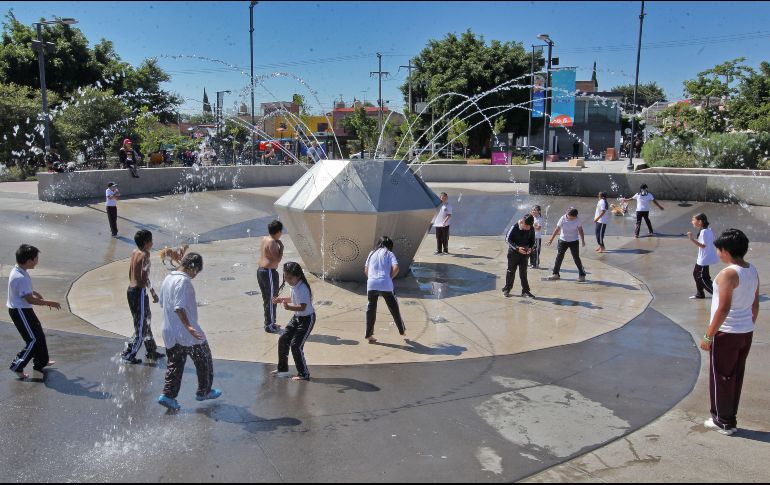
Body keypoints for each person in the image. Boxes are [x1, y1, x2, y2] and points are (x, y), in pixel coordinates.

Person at [700, 229, 759, 436]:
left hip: (727, 333)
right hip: (745, 332)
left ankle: (722, 421)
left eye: (718, 249)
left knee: (721, 376)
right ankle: (729, 418)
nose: (717, 252)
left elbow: (722, 309)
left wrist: (708, 335)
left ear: (725, 251)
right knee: (735, 375)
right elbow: (755, 304)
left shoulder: (728, 274)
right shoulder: (751, 269)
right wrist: (747, 325)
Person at [158, 253, 222, 411]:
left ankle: (168, 396)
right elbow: (179, 307)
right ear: (192, 267)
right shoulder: (183, 280)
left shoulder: (168, 278)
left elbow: (161, 302)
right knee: (204, 358)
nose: (195, 275)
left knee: (176, 363)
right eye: (197, 271)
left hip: (169, 330)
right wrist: (189, 327)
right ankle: (204, 391)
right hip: (185, 332)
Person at [7, 244, 60, 380]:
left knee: (39, 335)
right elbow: (30, 300)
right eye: (36, 258)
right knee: (33, 340)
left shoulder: (19, 270)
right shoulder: (20, 277)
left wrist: (34, 291)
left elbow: (25, 291)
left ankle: (41, 361)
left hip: (23, 310)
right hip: (20, 312)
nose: (37, 260)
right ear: (29, 261)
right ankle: (17, 365)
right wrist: (49, 303)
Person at [122, 230, 164, 364]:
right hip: (139, 292)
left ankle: (151, 351)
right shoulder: (145, 255)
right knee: (140, 327)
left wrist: (134, 285)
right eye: (151, 241)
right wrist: (153, 292)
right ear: (146, 243)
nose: (153, 243)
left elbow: (131, 272)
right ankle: (129, 354)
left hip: (131, 290)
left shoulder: (135, 252)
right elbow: (144, 277)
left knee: (146, 321)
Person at [271, 262, 316, 381]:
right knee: (283, 339)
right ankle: (282, 368)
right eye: (285, 277)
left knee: (296, 345)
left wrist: (289, 308)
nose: (287, 280)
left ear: (298, 276)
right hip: (297, 317)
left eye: (290, 278)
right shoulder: (295, 285)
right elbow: (293, 298)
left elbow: (302, 306)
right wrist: (281, 300)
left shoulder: (303, 288)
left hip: (307, 319)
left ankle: (304, 374)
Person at [364, 236, 406, 343]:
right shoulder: (389, 253)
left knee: (371, 309)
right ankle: (402, 330)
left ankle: (369, 335)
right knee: (394, 308)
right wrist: (389, 278)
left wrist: (372, 279)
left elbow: (366, 270)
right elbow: (396, 268)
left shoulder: (371, 253)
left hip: (371, 283)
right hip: (385, 283)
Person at [257, 220, 285, 334]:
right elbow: (277, 259)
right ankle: (269, 325)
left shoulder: (265, 239)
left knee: (267, 298)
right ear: (278, 232)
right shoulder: (273, 242)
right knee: (272, 299)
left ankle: (270, 322)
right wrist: (281, 247)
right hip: (268, 272)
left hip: (261, 271)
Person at [546, 208, 587, 282]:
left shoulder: (577, 219)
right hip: (563, 240)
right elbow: (557, 229)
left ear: (575, 216)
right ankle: (555, 274)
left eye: (572, 218)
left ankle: (582, 275)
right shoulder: (563, 218)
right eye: (569, 216)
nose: (570, 218)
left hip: (574, 241)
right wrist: (551, 239)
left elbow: (580, 230)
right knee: (559, 256)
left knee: (576, 258)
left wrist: (583, 240)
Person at [502, 214, 536, 298]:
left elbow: (532, 241)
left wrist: (530, 249)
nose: (527, 228)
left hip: (525, 253)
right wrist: (517, 248)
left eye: (529, 226)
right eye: (526, 226)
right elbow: (507, 239)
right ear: (522, 222)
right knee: (511, 271)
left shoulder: (531, 228)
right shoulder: (514, 227)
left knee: (523, 272)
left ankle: (525, 291)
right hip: (513, 253)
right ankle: (507, 288)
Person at [688, 213, 719, 300]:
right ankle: (700, 293)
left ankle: (718, 295)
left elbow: (703, 245)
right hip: (705, 257)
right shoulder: (708, 230)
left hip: (704, 259)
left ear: (700, 221)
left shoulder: (704, 232)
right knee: (697, 274)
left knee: (702, 278)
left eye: (693, 220)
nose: (692, 222)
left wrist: (691, 239)